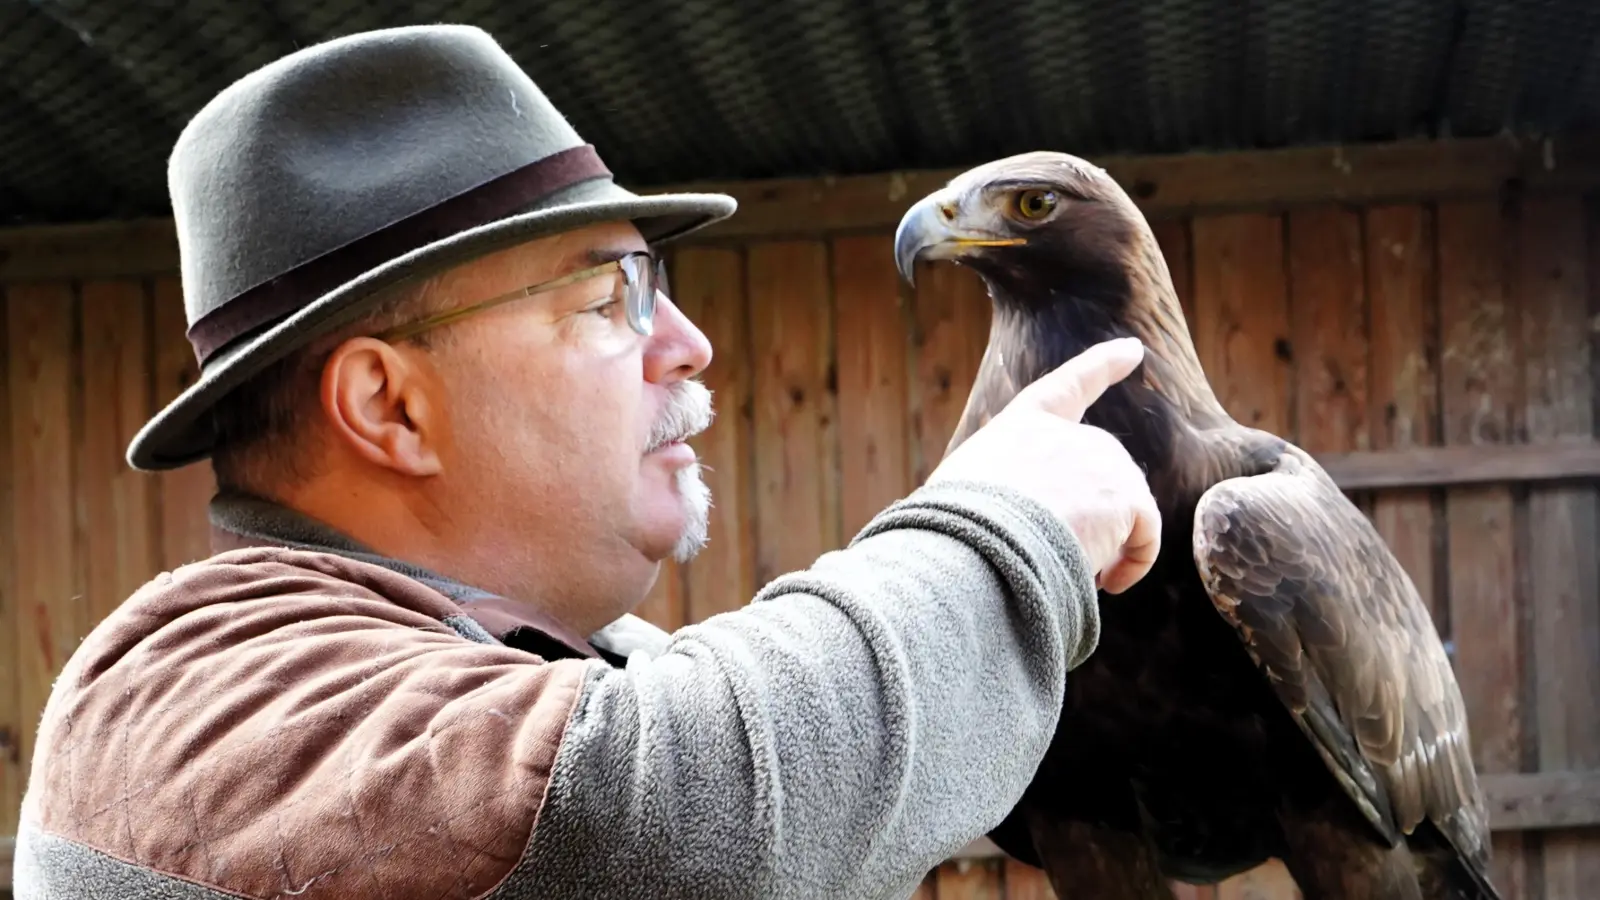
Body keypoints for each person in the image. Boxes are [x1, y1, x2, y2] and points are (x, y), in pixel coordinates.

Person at [12, 23, 1160, 900]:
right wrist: (1010, 521)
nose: (688, 344)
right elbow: (667, 815)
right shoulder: (192, 699)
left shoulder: (530, 662)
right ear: (389, 405)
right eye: (611, 296)